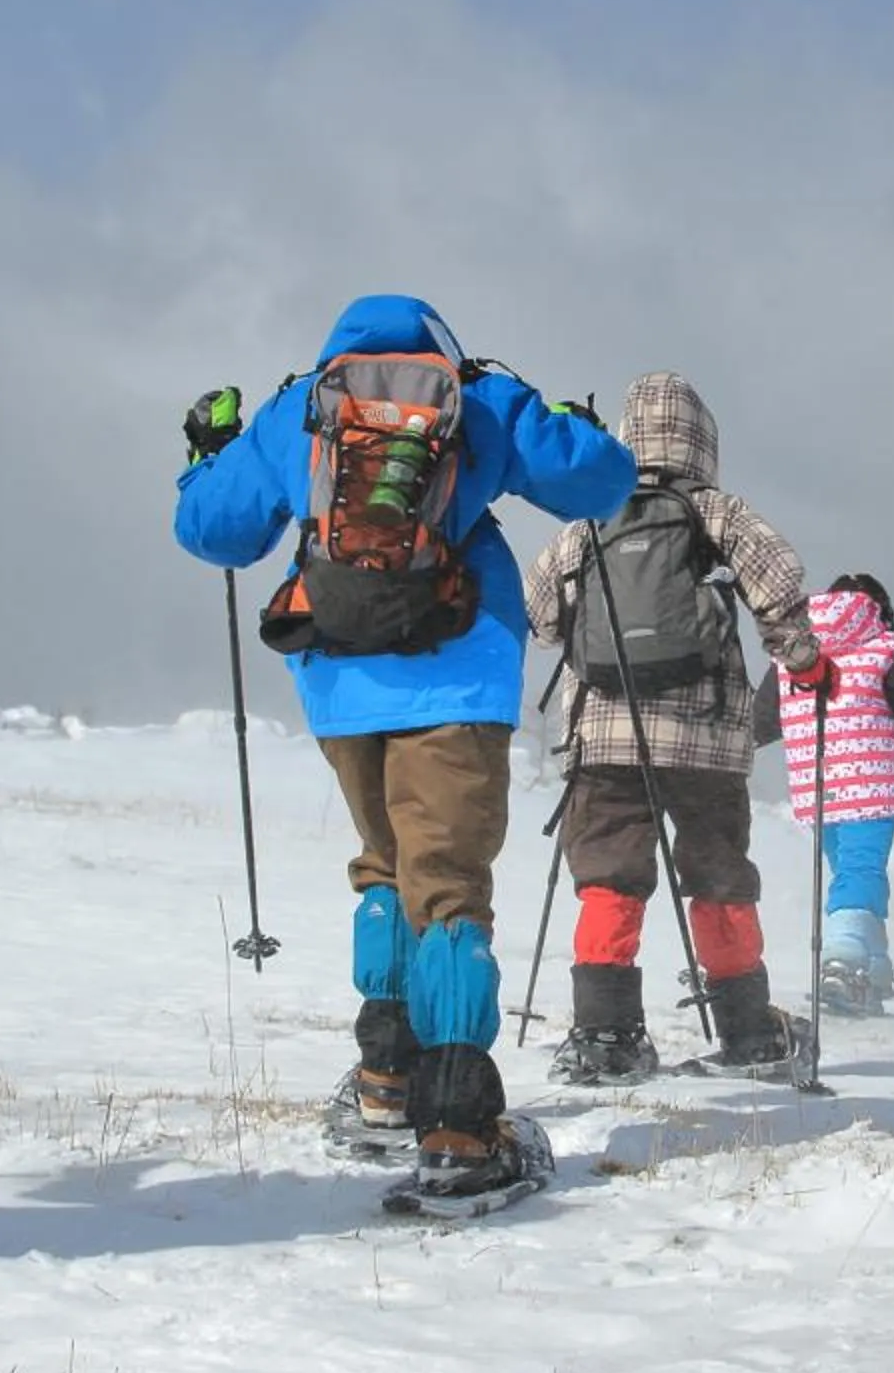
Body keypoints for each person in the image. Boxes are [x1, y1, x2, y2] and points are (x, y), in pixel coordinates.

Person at [174, 296, 633, 1193]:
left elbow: (212, 531)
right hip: (459, 669)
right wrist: (572, 421)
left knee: (384, 866)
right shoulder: (475, 397)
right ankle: (461, 1126)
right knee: (449, 885)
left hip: (342, 679)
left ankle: (386, 1080)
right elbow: (600, 483)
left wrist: (206, 456)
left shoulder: (298, 407)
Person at [523, 372, 825, 1083]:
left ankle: (605, 1035)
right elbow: (778, 579)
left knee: (608, 875)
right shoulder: (716, 511)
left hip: (606, 736)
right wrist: (801, 658)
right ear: (702, 443)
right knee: (719, 872)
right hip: (707, 740)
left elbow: (538, 615)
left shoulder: (589, 521)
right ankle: (750, 1032)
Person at [764, 574, 894, 1005]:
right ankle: (842, 961)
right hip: (870, 786)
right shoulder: (890, 648)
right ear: (879, 609)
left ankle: (874, 965)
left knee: (852, 871)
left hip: (817, 787)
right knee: (861, 871)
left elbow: (762, 720)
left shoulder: (791, 654)